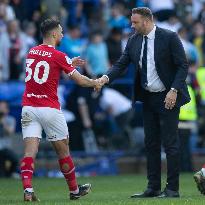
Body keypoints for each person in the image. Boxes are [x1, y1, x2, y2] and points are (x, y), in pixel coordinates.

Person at [96, 7, 190, 198]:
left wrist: (174, 90)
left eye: (135, 22)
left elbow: (183, 65)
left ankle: (172, 189)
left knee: (171, 143)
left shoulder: (169, 37)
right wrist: (104, 78)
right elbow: (121, 64)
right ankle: (153, 187)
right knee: (151, 143)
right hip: (148, 97)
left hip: (168, 96)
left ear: (146, 21)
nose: (132, 25)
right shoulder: (133, 40)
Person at [20, 18, 99, 202]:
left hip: (29, 108)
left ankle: (28, 190)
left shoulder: (32, 52)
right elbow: (79, 80)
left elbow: (45, 65)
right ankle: (73, 191)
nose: (63, 34)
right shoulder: (59, 55)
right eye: (61, 31)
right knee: (63, 152)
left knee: (29, 152)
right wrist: (95, 82)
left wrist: (68, 62)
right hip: (49, 109)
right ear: (54, 34)